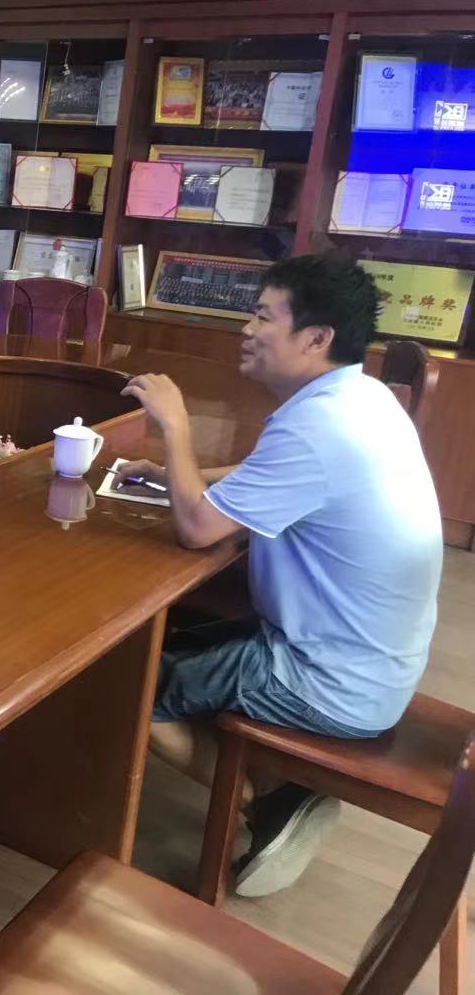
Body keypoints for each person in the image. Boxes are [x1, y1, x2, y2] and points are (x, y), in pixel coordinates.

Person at [118, 253, 442, 898]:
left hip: (325, 679)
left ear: (316, 338)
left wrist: (175, 429)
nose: (247, 329)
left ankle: (267, 803)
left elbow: (198, 529)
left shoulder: (319, 426)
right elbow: (272, 478)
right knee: (166, 640)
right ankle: (276, 786)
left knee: (131, 683)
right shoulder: (360, 397)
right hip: (368, 661)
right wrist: (173, 475)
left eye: (264, 317)